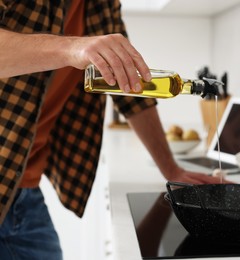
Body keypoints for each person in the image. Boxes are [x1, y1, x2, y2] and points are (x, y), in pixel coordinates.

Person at [0, 1, 225, 259]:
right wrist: (72, 47)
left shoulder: (102, 4)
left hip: (22, 190)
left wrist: (171, 169)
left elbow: (132, 88)